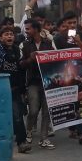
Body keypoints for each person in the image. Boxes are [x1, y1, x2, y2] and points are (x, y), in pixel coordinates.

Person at [20, 19, 57, 149]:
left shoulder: (48, 43)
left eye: (28, 28)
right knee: (34, 110)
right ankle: (29, 130)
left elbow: (56, 58)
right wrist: (30, 58)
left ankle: (44, 138)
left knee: (47, 111)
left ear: (35, 29)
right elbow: (21, 64)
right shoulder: (24, 45)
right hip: (33, 82)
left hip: (47, 82)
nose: (26, 31)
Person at [53, 11, 82, 143]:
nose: (72, 25)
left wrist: (78, 42)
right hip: (65, 76)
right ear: (64, 23)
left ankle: (77, 130)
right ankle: (77, 130)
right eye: (69, 23)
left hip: (80, 74)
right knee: (71, 102)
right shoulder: (58, 38)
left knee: (78, 102)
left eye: (74, 22)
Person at [0, 27, 32, 153]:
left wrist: (23, 89)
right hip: (0, 89)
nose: (9, 36)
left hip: (14, 89)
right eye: (6, 34)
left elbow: (21, 71)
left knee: (18, 115)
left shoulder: (17, 50)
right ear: (1, 38)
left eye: (11, 34)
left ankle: (21, 142)